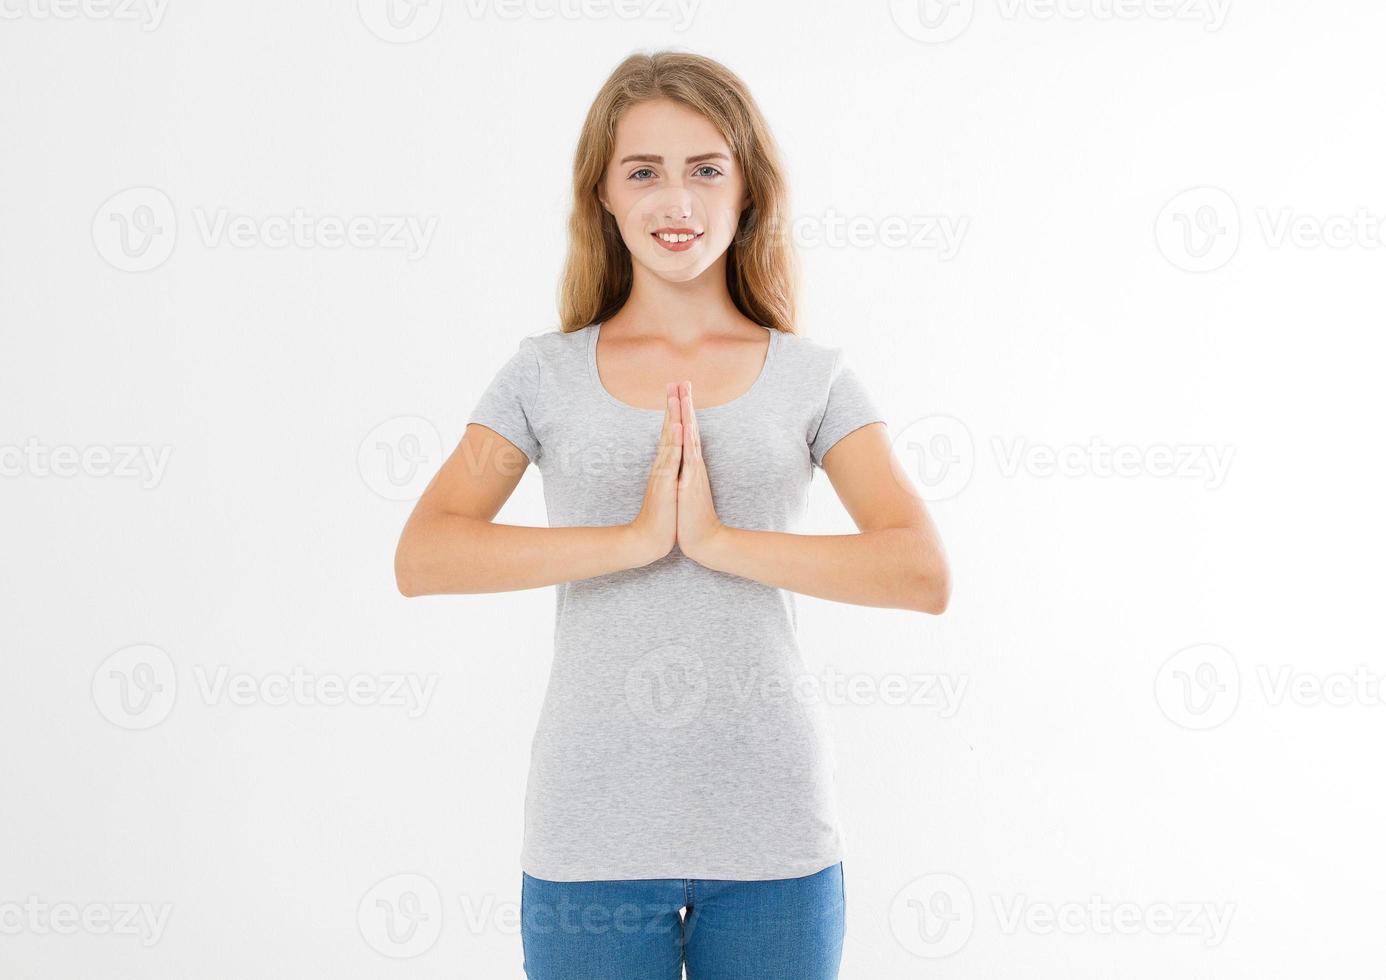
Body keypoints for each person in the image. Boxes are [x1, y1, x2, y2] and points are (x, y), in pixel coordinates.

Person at [394, 48, 950, 980]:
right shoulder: (544, 374)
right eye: (642, 172)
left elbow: (921, 571)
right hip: (590, 833)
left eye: (705, 169)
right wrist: (633, 541)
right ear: (604, 197)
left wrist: (721, 542)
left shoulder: (816, 379)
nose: (675, 200)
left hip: (774, 831)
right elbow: (425, 555)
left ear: (748, 189)